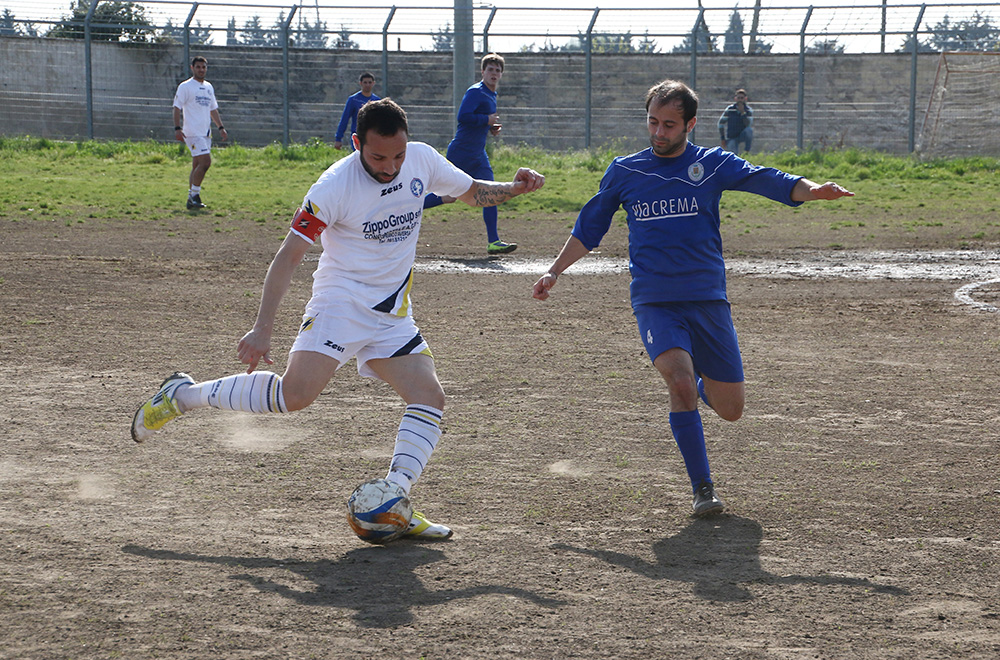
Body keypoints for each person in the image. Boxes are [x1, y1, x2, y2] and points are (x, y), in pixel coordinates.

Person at [132, 98, 545, 540]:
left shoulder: (421, 158)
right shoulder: (333, 187)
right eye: (378, 157)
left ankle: (394, 503)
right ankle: (182, 396)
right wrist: (262, 328)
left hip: (391, 312)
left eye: (398, 156)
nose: (390, 167)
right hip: (340, 303)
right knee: (295, 395)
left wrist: (514, 188)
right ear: (356, 143)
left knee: (429, 397)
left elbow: (471, 192)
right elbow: (288, 257)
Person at [532, 79, 852, 516]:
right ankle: (703, 488)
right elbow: (590, 227)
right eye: (652, 122)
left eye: (669, 124)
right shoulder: (626, 171)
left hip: (708, 300)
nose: (659, 132)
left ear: (690, 124)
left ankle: (707, 385)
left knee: (731, 409)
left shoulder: (711, 164)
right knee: (679, 384)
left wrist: (811, 189)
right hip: (655, 301)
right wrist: (554, 270)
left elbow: (768, 180)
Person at [423, 53, 515, 255]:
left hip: (478, 154)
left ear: (501, 75)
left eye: (497, 70)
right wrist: (486, 120)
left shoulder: (492, 94)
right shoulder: (476, 92)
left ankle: (494, 242)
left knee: (491, 193)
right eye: (490, 69)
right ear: (482, 72)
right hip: (462, 152)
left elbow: (480, 120)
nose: (494, 73)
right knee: (448, 196)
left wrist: (490, 128)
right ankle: (411, 207)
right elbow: (463, 116)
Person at [173, 56, 227, 210]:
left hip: (205, 133)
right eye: (198, 67)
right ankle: (194, 195)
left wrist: (220, 127)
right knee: (205, 163)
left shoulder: (209, 87)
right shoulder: (185, 87)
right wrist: (177, 128)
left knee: (197, 164)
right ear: (192, 68)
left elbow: (212, 109)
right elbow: (176, 107)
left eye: (203, 67)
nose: (201, 70)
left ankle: (192, 197)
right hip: (192, 132)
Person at [334, 72, 381, 151]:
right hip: (358, 136)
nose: (367, 85)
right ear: (360, 83)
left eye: (370, 82)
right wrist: (338, 138)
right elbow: (344, 119)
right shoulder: (353, 100)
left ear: (373, 83)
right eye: (365, 82)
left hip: (372, 137)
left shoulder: (377, 101)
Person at [718, 88, 753, 154]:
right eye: (738, 98)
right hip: (732, 137)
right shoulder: (730, 109)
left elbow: (748, 125)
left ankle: (747, 151)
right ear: (735, 99)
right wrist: (723, 138)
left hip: (742, 135)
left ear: (745, 99)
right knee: (732, 156)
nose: (740, 100)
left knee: (749, 130)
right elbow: (721, 124)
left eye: (742, 98)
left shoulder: (748, 110)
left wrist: (743, 113)